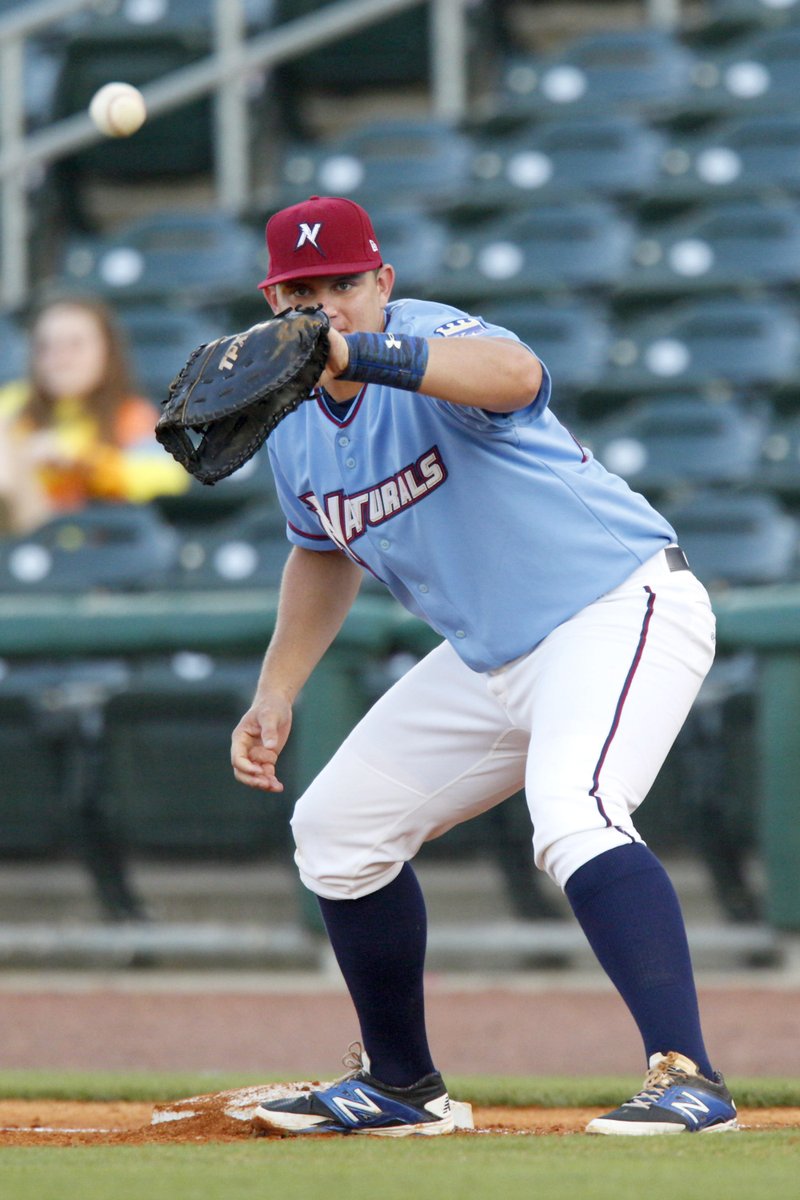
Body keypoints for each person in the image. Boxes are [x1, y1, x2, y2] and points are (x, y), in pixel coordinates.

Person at [231, 195, 738, 1138]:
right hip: (491, 657)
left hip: (616, 608)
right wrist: (277, 688)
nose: (325, 305)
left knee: (575, 811)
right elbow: (321, 550)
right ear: (272, 303)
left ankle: (689, 1076)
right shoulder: (291, 418)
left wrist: (365, 353)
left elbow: (515, 373)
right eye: (302, 290)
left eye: (343, 283)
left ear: (382, 282)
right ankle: (402, 1086)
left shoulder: (428, 337)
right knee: (338, 830)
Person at [0, 294, 187, 535]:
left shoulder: (129, 414)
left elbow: (169, 478)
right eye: (46, 346)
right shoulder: (12, 403)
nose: (60, 359)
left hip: (95, 545)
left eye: (75, 345)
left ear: (107, 351)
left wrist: (81, 460)